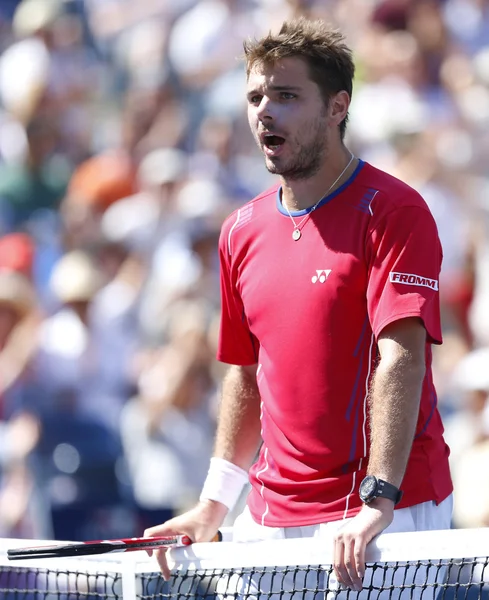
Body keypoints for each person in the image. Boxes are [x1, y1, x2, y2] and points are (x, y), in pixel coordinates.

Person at [144, 16, 453, 597]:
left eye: (286, 96)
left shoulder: (395, 210)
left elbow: (401, 359)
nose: (265, 110)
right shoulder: (239, 230)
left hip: (382, 513)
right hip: (266, 517)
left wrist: (378, 499)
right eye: (256, 96)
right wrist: (213, 504)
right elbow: (245, 372)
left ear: (337, 107)